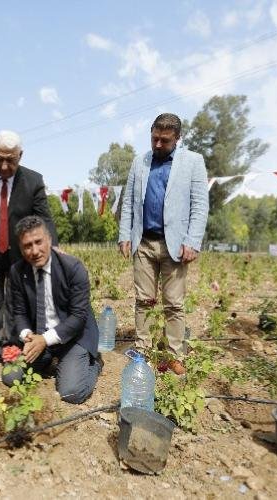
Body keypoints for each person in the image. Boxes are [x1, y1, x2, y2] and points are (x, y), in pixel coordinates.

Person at [118, 113, 209, 375]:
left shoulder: (193, 162)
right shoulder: (140, 162)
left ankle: (175, 355)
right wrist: (125, 233)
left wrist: (192, 241)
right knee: (144, 300)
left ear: (177, 139)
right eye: (154, 138)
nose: (158, 145)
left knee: (174, 304)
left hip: (176, 245)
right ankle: (142, 352)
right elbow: (129, 202)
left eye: (165, 141)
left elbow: (200, 206)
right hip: (144, 243)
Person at [0, 130, 57, 373]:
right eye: (0, 159)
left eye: (12, 159)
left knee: (20, 299)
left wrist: (53, 247)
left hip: (21, 253)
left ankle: (18, 346)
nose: (5, 165)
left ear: (21, 155)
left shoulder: (33, 180)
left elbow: (45, 218)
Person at [5, 216, 100, 404]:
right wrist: (28, 336)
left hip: (73, 337)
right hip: (38, 335)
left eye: (38, 242)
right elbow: (19, 312)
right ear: (21, 248)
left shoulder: (73, 268)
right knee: (11, 377)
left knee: (71, 392)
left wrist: (45, 340)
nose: (34, 251)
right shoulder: (17, 272)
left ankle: (94, 364)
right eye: (27, 245)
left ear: (49, 240)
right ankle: (49, 359)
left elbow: (78, 317)